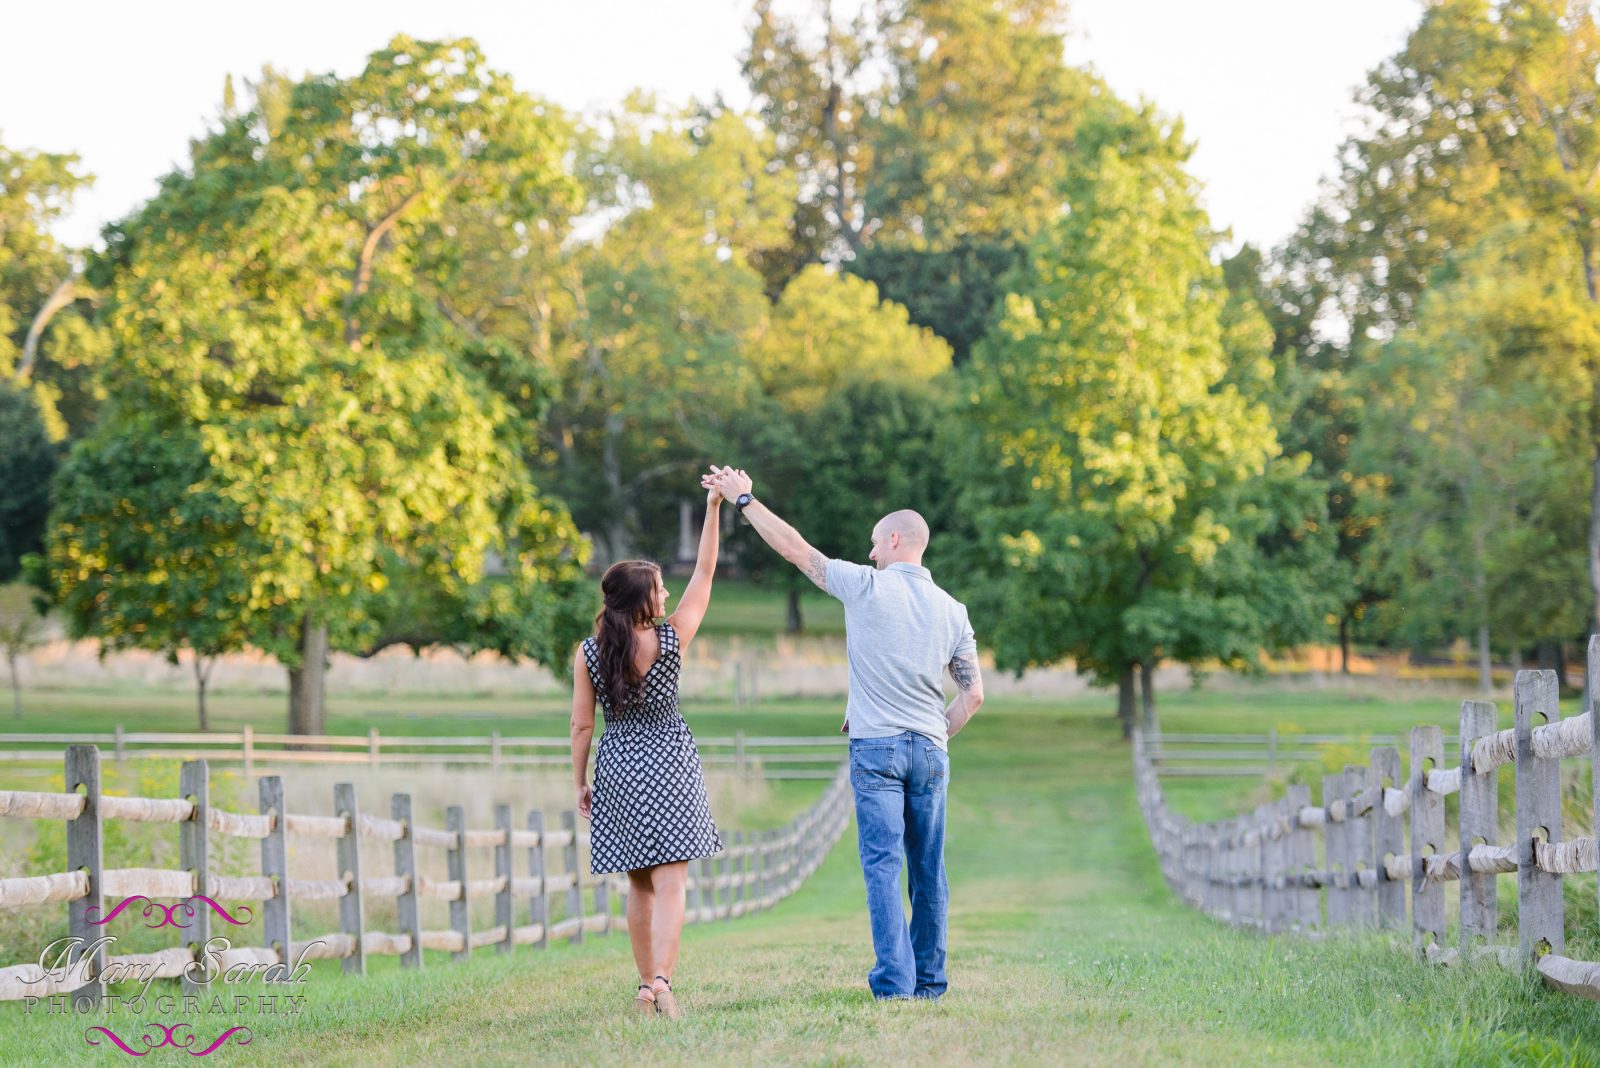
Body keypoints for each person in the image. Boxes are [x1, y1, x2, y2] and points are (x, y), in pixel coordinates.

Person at [702, 465, 984, 1002]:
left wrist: (744, 501)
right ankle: (930, 984)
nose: (870, 551)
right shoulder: (954, 611)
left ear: (895, 540)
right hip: (930, 749)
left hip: (875, 748)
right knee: (929, 869)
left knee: (883, 865)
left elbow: (794, 548)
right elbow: (973, 696)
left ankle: (895, 985)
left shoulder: (866, 584)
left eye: (875, 543)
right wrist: (935, 735)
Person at [569, 472, 728, 1019]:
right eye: (659, 588)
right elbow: (705, 571)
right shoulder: (670, 638)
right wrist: (713, 509)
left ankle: (642, 986)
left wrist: (581, 782)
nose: (666, 594)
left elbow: (581, 728)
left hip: (618, 765)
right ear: (644, 599)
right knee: (672, 882)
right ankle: (662, 981)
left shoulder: (590, 652)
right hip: (668, 760)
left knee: (639, 885)